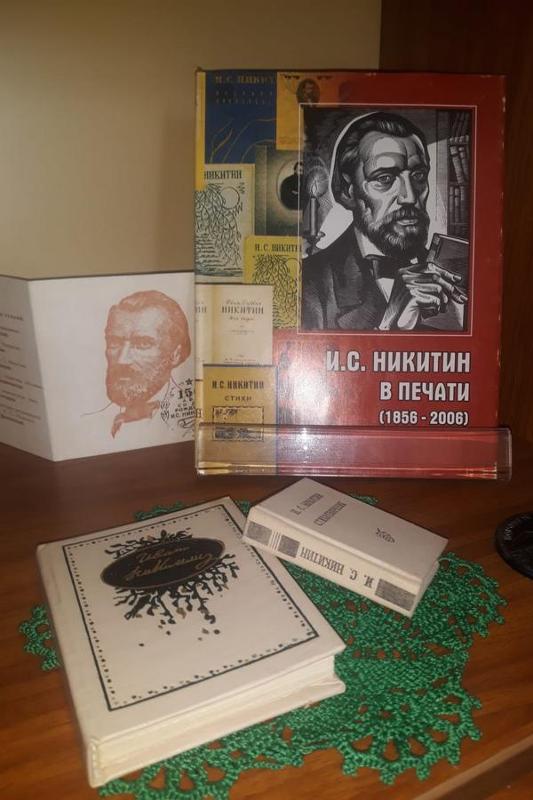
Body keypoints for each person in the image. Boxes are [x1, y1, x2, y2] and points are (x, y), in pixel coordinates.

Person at [301, 111, 468, 331]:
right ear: (348, 191)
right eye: (385, 179)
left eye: (418, 176)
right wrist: (390, 324)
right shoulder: (307, 284)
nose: (409, 197)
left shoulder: (459, 278)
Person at [104, 290, 192, 437]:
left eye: (143, 344)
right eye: (114, 342)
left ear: (175, 354)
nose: (122, 360)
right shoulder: (92, 421)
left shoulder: (188, 418)